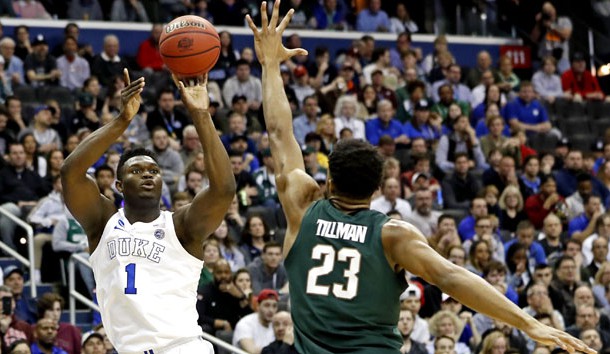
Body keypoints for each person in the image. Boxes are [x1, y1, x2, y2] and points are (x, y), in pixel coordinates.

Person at [245, 2, 595, 353]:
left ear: (329, 182)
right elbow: (453, 278)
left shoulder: (302, 206)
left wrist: (270, 65)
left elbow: (277, 131)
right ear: (378, 189)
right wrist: (529, 323)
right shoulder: (392, 234)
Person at [60, 69, 235, 353]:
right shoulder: (103, 222)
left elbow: (224, 189)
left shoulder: (181, 227)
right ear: (118, 184)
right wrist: (122, 121)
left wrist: (202, 115)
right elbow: (71, 173)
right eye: (136, 170)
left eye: (153, 170)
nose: (147, 175)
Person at [232, 288, 278, 353]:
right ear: (258, 306)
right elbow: (252, 351)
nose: (271, 310)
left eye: (274, 306)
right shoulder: (245, 323)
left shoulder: (277, 324)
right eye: (267, 305)